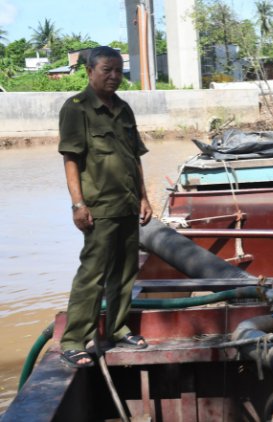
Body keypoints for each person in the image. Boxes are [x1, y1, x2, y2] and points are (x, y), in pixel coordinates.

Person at [58, 46, 152, 368]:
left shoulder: (124, 109)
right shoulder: (77, 109)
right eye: (106, 71)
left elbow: (134, 157)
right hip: (99, 208)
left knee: (126, 273)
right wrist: (78, 204)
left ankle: (116, 328)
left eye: (118, 71)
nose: (114, 77)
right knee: (92, 274)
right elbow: (72, 159)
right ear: (89, 71)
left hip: (127, 204)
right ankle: (73, 340)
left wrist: (143, 197)